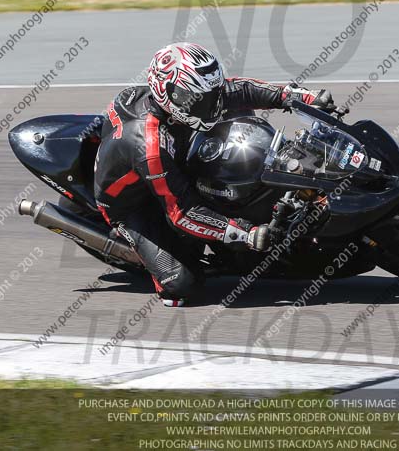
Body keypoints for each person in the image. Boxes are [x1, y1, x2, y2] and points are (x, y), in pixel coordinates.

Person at [93, 42, 334, 307]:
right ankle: (143, 250)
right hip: (135, 205)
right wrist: (244, 233)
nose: (211, 104)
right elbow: (181, 213)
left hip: (176, 164)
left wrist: (299, 96)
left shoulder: (195, 98)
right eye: (199, 99)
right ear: (168, 94)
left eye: (213, 94)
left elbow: (240, 89)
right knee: (182, 286)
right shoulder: (150, 145)